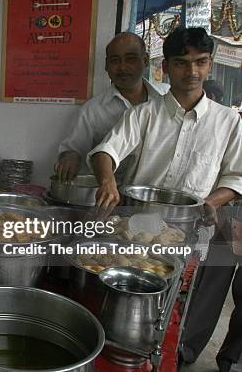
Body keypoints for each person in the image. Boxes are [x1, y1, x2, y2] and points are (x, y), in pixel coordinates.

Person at [88, 27, 242, 371]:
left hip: (194, 227)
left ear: (210, 65)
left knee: (183, 303)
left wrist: (212, 202)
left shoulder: (228, 121)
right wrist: (108, 178)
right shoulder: (143, 114)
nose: (192, 72)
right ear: (165, 67)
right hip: (137, 228)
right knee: (133, 299)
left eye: (200, 62)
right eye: (181, 63)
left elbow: (236, 176)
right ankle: (123, 350)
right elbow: (106, 150)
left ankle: (179, 353)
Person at [54, 32, 166, 181]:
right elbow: (74, 148)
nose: (122, 67)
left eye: (130, 59)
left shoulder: (165, 99)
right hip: (109, 195)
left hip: (152, 193)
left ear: (145, 60)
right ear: (106, 66)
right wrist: (70, 157)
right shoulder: (93, 110)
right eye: (115, 61)